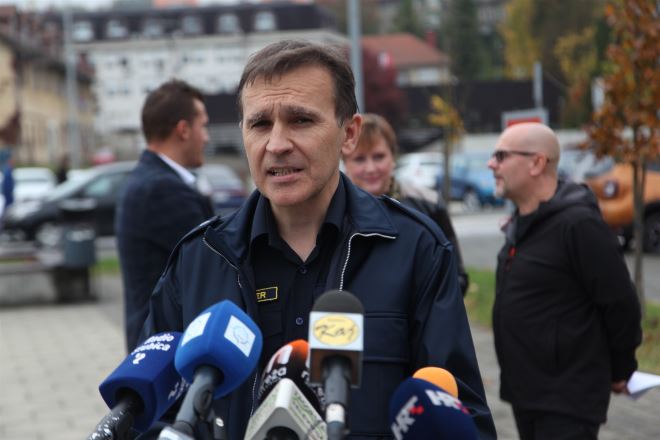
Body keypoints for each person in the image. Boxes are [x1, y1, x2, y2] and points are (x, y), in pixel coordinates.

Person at [139, 40, 495, 439]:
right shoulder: (198, 261)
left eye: (301, 120)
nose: (276, 144)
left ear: (349, 134)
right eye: (260, 124)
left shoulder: (415, 249)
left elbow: (463, 419)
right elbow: (152, 417)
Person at [487, 122, 642, 440]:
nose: (491, 164)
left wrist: (621, 368)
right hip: (527, 394)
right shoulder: (522, 224)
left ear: (537, 162)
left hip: (567, 399)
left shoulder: (579, 224)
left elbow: (620, 302)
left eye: (501, 156)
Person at [115, 79, 214, 352]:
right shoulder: (161, 188)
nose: (206, 137)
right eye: (203, 126)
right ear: (183, 130)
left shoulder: (151, 179)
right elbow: (214, 261)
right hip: (167, 349)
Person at [342, 113, 469, 295]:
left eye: (378, 157)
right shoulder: (331, 212)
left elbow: (456, 277)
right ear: (345, 163)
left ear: (393, 157)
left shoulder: (428, 204)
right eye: (359, 159)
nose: (370, 168)